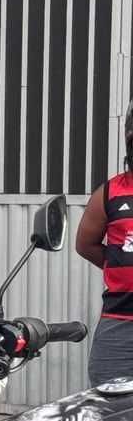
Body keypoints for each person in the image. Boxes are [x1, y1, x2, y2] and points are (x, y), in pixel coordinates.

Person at [76, 102, 133, 385]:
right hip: (120, 320)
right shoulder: (110, 192)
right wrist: (120, 268)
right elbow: (86, 244)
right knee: (108, 409)